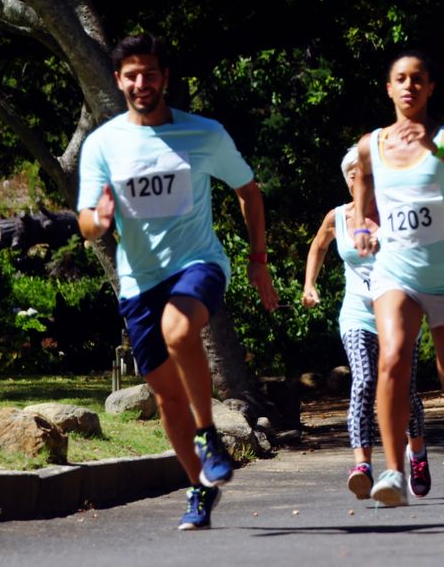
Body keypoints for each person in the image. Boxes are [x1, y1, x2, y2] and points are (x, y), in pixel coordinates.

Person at [77, 34, 278, 530]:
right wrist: (98, 220)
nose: (141, 83)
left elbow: (248, 191)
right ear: (119, 80)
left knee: (181, 330)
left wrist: (258, 259)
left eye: (150, 73)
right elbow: (84, 219)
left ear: (164, 78)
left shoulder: (204, 134)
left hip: (197, 262)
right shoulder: (103, 144)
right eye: (131, 75)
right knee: (166, 395)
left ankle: (208, 433)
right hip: (136, 279)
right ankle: (199, 487)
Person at [352, 50, 444, 506]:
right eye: (401, 79)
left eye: (418, 79)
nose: (410, 86)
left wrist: (437, 151)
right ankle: (393, 470)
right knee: (392, 357)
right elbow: (362, 185)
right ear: (389, 88)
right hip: (396, 272)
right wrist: (361, 225)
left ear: (430, 87)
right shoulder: (370, 144)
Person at [301, 146, 432, 501]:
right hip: (357, 314)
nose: (361, 182)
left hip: (400, 313)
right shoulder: (337, 217)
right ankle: (362, 465)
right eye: (354, 176)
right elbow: (318, 246)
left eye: (368, 176)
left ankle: (416, 452)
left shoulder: (397, 214)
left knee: (404, 390)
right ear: (347, 181)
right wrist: (309, 284)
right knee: (364, 381)